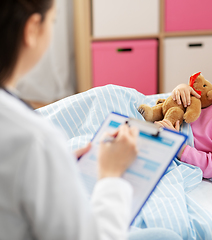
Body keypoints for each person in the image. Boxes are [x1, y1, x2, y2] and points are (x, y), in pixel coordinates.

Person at [0, 1, 181, 240]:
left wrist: (54, 167)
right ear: (32, 29)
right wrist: (111, 175)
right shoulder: (35, 140)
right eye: (53, 21)